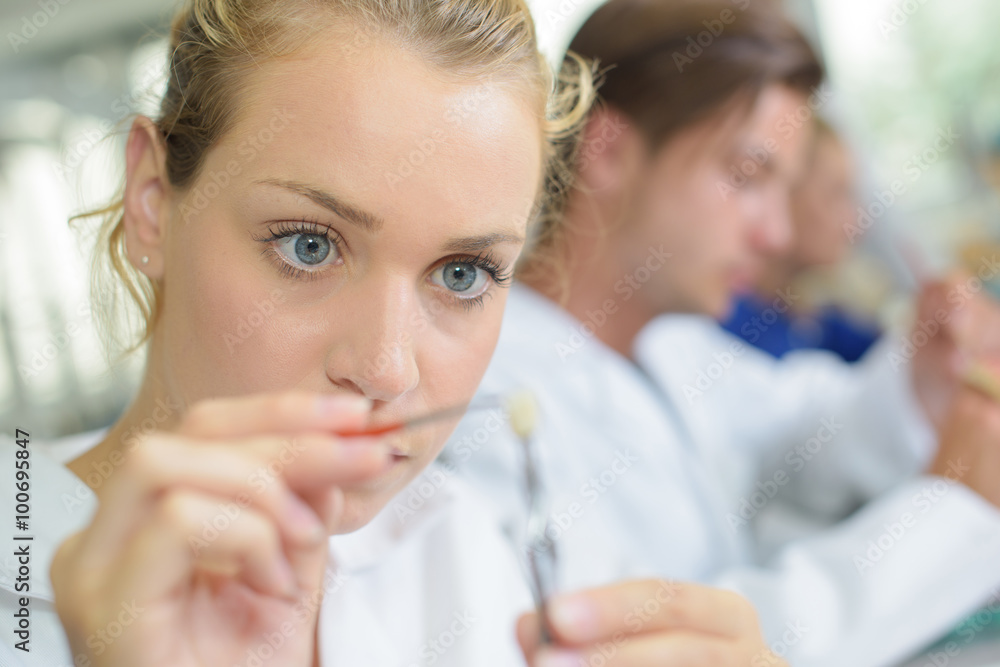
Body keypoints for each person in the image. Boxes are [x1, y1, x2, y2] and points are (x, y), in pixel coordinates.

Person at [0, 1, 788, 666]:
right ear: (150, 201)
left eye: (462, 274)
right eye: (307, 243)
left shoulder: (457, 547)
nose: (384, 368)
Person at [444, 1, 1000, 666]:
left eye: (782, 189)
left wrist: (925, 380)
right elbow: (640, 645)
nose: (776, 233)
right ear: (612, 149)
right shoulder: (479, 398)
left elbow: (806, 426)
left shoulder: (677, 349)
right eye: (746, 175)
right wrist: (953, 511)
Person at [721, 118, 883, 362]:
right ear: (781, 193)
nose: (856, 223)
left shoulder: (811, 322)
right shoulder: (728, 325)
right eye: (835, 194)